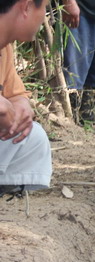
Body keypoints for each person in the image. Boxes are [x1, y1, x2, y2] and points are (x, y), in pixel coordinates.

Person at [0, 0, 52, 195]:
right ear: (27, 6)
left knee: (33, 136)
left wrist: (21, 104)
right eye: (44, 7)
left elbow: (16, 94)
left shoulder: (4, 48)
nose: (44, 15)